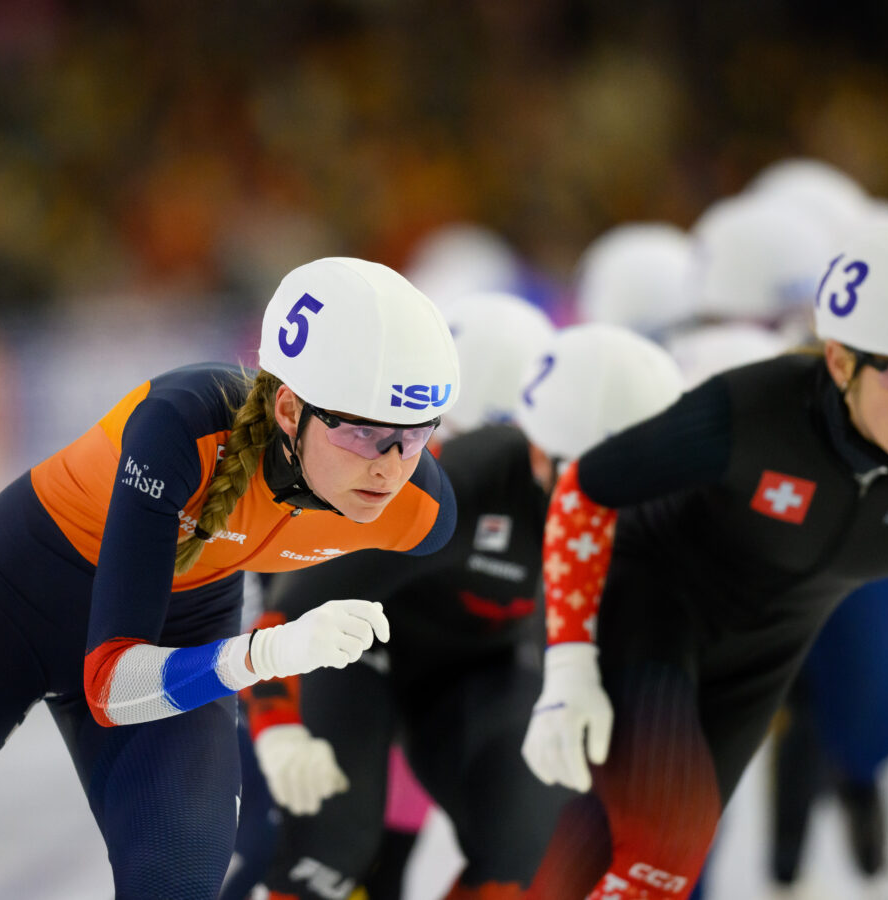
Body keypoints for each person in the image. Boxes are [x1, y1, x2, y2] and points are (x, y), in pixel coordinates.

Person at [0, 255, 462, 900]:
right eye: (363, 433)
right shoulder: (183, 426)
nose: (389, 467)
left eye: (413, 437)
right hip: (11, 602)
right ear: (291, 410)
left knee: (178, 883)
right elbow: (110, 687)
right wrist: (273, 650)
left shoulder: (421, 510)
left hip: (181, 621)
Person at [519, 222, 888, 900]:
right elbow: (586, 489)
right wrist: (569, 660)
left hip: (762, 658)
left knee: (601, 866)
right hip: (652, 610)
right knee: (665, 851)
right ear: (841, 362)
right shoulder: (752, 412)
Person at [246, 323, 684, 900]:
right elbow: (290, 605)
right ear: (538, 456)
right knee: (334, 849)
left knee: (532, 847)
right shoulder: (466, 481)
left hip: (476, 669)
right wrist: (277, 729)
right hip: (358, 652)